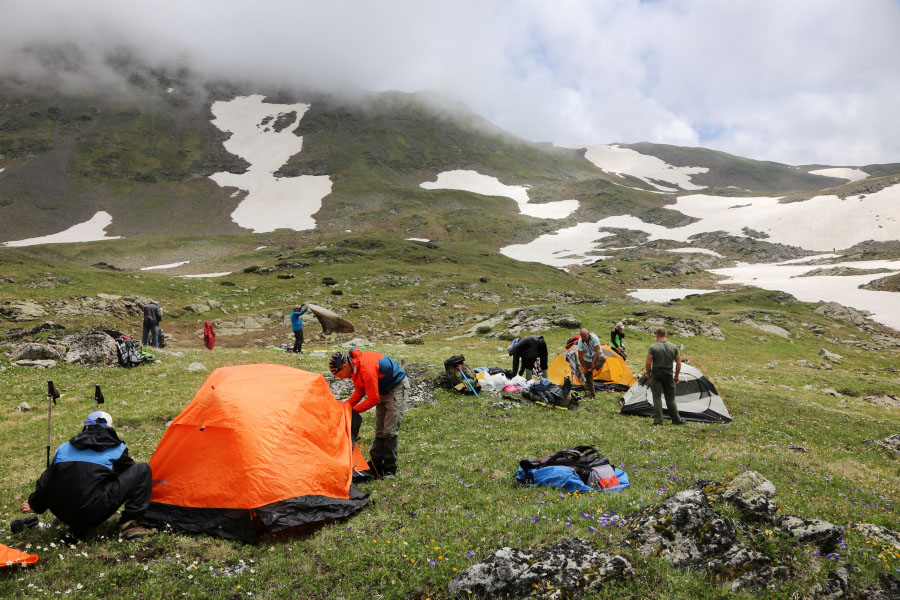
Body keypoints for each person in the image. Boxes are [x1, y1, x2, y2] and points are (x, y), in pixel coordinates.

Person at [20, 411, 156, 541]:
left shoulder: (63, 448)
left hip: (62, 514)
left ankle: (72, 525)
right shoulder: (117, 449)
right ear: (109, 428)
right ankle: (130, 526)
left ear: (86, 427)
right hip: (92, 512)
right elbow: (128, 477)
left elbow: (46, 481)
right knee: (142, 470)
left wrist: (35, 504)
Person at [329, 348, 409, 479]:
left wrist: (353, 411)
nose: (342, 379)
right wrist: (345, 407)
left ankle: (389, 469)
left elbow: (373, 399)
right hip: (381, 388)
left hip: (396, 387)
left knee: (389, 430)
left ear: (344, 366)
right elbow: (359, 392)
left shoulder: (366, 368)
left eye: (340, 375)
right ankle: (375, 464)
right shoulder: (354, 368)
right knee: (380, 429)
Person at [645, 327, 684, 426]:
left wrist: (648, 374)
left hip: (656, 374)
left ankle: (658, 421)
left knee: (657, 397)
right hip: (669, 374)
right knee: (670, 398)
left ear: (656, 335)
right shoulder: (674, 347)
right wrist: (676, 376)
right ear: (665, 334)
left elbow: (648, 362)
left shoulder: (653, 347)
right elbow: (679, 363)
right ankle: (676, 420)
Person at [576, 328, 604, 399]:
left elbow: (597, 351)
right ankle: (592, 395)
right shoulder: (580, 341)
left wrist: (593, 363)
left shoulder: (594, 337)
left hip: (597, 356)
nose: (584, 338)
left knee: (603, 357)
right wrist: (585, 368)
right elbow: (580, 356)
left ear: (588, 333)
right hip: (587, 358)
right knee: (588, 378)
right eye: (582, 337)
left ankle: (591, 369)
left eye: (585, 336)